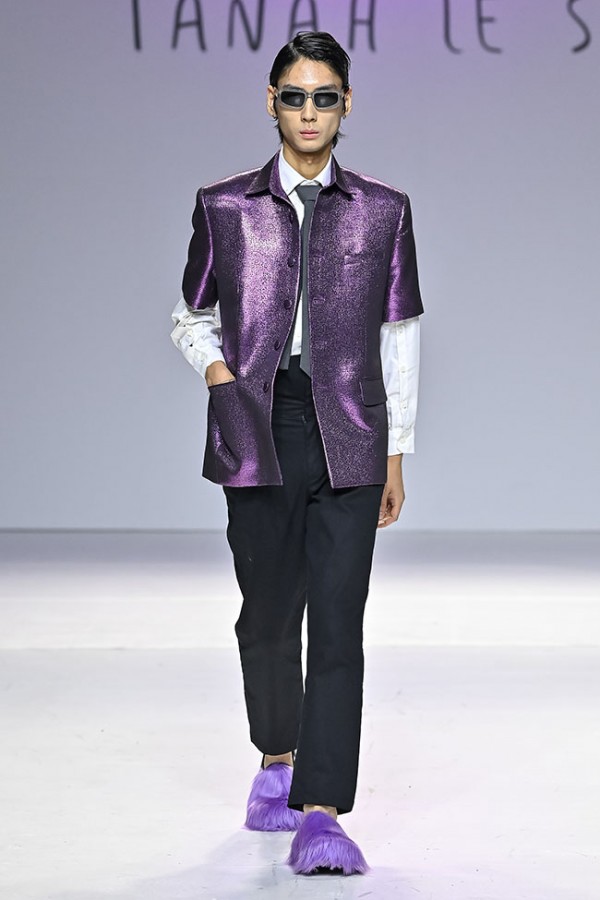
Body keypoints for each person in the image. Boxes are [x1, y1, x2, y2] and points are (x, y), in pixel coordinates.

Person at [171, 31, 424, 876]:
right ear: (271, 103)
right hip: (262, 421)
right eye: (294, 96)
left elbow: (400, 334)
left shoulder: (384, 209)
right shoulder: (224, 205)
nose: (309, 112)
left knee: (341, 622)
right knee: (270, 614)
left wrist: (396, 453)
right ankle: (276, 760)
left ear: (346, 104)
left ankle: (323, 812)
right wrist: (222, 376)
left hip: (352, 426)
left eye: (324, 97)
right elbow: (190, 314)